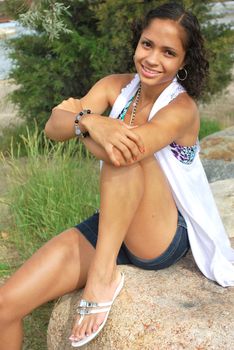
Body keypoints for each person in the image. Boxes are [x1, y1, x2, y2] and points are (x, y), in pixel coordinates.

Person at [1, 2, 234, 349]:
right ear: (137, 42)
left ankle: (102, 275)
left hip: (161, 233)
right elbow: (54, 126)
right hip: (113, 220)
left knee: (126, 155)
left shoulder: (182, 109)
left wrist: (80, 121)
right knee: (6, 306)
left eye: (168, 52)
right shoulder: (115, 86)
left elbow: (126, 152)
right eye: (147, 44)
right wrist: (92, 122)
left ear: (183, 61)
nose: (153, 59)